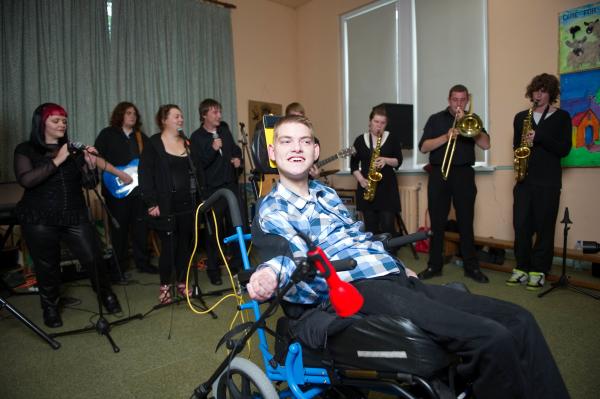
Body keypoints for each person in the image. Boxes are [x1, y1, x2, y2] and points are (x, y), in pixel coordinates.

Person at [247, 115, 570, 399]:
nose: (296, 148)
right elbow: (285, 256)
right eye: (286, 141)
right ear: (273, 153)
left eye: (305, 141)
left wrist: (400, 265)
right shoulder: (273, 208)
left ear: (316, 151)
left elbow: (360, 239)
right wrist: (267, 275)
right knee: (490, 337)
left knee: (519, 319)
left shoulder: (326, 193)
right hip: (356, 289)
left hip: (393, 278)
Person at [14, 103, 122, 328]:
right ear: (41, 124)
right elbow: (27, 180)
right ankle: (50, 308)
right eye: (56, 120)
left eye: (64, 120)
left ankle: (107, 296)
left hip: (75, 215)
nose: (62, 124)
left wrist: (91, 166)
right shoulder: (26, 149)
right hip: (40, 218)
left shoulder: (74, 151)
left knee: (94, 257)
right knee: (47, 266)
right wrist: (57, 159)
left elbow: (89, 183)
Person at [417, 84, 490, 283]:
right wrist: (446, 136)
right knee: (437, 222)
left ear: (466, 100)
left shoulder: (472, 119)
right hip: (439, 173)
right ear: (449, 100)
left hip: (464, 174)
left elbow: (486, 144)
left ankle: (471, 267)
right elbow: (423, 147)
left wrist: (470, 129)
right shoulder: (435, 119)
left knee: (466, 221)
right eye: (455, 99)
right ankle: (434, 265)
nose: (458, 103)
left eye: (462, 100)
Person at [507, 74, 572, 290]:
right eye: (536, 90)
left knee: (545, 227)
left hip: (549, 181)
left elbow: (564, 149)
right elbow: (517, 147)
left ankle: (539, 270)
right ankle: (522, 267)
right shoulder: (520, 118)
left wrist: (540, 137)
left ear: (551, 93)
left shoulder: (562, 117)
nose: (538, 94)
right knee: (521, 225)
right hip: (525, 181)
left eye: (543, 91)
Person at [139, 104, 196, 304]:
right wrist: (151, 202)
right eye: (176, 116)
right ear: (164, 120)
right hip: (164, 204)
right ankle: (164, 287)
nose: (181, 119)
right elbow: (144, 174)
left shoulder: (186, 142)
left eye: (181, 116)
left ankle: (181, 282)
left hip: (187, 203)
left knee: (184, 246)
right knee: (169, 246)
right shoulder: (154, 143)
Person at [95, 102, 157, 282]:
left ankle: (143, 262)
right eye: (128, 113)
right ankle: (117, 269)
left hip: (138, 191)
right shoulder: (107, 134)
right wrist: (118, 173)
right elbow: (95, 157)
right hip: (115, 189)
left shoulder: (141, 138)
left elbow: (148, 162)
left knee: (141, 228)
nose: (132, 116)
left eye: (135, 114)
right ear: (120, 115)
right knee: (119, 231)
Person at [190, 99, 242, 285]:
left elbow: (235, 150)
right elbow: (198, 166)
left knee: (238, 227)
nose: (219, 115)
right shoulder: (196, 137)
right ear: (204, 115)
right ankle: (213, 270)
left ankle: (238, 265)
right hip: (213, 190)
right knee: (214, 232)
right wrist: (213, 150)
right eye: (214, 112)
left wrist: (237, 159)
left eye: (219, 111)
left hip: (231, 186)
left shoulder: (225, 131)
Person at [350, 104, 402, 235]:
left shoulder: (392, 138)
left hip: (387, 189)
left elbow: (398, 161)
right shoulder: (360, 140)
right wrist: (361, 180)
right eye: (376, 122)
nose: (379, 125)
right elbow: (354, 165)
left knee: (387, 227)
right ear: (370, 122)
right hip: (367, 187)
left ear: (386, 124)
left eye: (382, 123)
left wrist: (386, 160)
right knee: (370, 228)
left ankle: (389, 254)